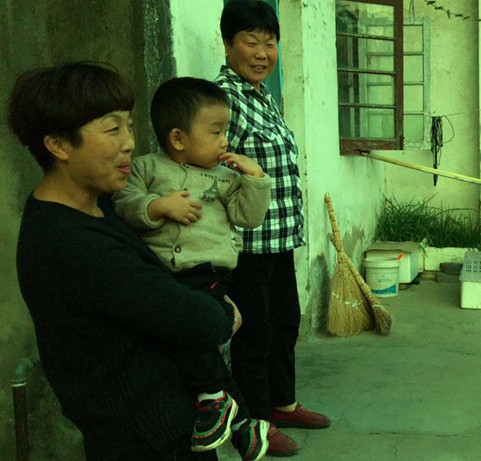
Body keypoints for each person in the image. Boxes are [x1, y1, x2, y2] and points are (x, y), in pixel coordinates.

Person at [9, 62, 234, 461]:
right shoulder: (71, 244)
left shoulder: (99, 206)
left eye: (129, 126)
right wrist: (223, 312)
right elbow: (200, 322)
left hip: (169, 424)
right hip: (142, 438)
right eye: (112, 129)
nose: (129, 143)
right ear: (59, 145)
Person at [112, 77, 273, 460]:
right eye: (216, 132)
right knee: (193, 344)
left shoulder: (226, 178)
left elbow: (249, 217)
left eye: (225, 132)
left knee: (189, 336)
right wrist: (158, 206)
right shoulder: (146, 168)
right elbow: (123, 204)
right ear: (178, 138)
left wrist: (255, 179)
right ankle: (241, 422)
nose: (224, 141)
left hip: (207, 272)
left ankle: (214, 399)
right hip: (162, 275)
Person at [216, 1, 330, 456]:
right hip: (246, 243)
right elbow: (212, 167)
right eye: (251, 42)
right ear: (228, 44)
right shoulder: (222, 100)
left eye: (270, 43)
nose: (262, 53)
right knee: (254, 335)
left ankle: (283, 403)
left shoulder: (260, 95)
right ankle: (256, 423)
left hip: (279, 236)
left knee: (285, 323)